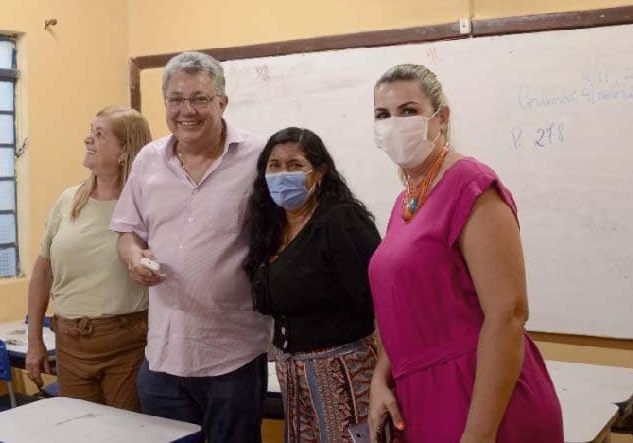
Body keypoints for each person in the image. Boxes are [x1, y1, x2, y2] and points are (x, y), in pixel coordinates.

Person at [366, 64, 562, 442]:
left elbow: (508, 314)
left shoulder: (471, 185)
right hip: (421, 396)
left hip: (482, 400)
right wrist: (380, 377)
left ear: (441, 118)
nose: (394, 123)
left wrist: (478, 435)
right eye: (382, 115)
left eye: (408, 111)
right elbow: (408, 309)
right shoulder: (406, 201)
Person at [111, 51, 270, 442]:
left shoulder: (259, 157)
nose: (187, 110)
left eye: (200, 98)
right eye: (176, 100)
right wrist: (133, 255)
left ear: (222, 102)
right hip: (164, 353)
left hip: (233, 356)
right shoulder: (149, 160)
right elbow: (127, 230)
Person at [244, 127, 382, 442]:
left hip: (343, 372)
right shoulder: (271, 226)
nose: (282, 174)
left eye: (294, 165)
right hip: (290, 374)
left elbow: (380, 299)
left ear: (319, 172)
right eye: (274, 165)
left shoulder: (341, 221)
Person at [25, 106, 152, 409]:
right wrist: (34, 342)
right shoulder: (69, 200)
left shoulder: (146, 203)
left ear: (125, 151)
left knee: (126, 432)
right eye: (90, 131)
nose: (87, 140)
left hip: (127, 345)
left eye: (99, 134)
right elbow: (43, 272)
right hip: (70, 343)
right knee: (81, 431)